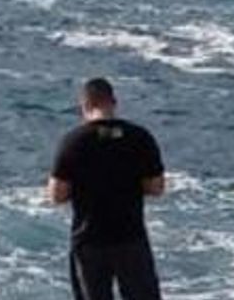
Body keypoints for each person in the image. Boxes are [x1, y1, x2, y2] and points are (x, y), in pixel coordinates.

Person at [48, 77, 166, 300]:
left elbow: (57, 195)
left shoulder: (73, 142)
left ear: (85, 105)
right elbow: (156, 187)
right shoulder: (140, 137)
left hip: (90, 239)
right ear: (114, 102)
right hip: (130, 236)